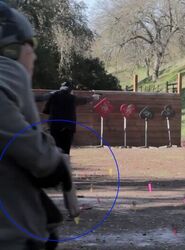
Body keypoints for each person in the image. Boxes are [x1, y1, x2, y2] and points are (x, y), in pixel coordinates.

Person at [0, 2, 73, 250]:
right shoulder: (9, 70)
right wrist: (48, 159)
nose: (34, 55)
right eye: (31, 46)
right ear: (11, 49)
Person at [42, 81, 101, 155]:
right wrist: (92, 98)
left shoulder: (53, 96)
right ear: (70, 90)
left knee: (55, 150)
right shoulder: (72, 98)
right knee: (65, 151)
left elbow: (45, 111)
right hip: (68, 128)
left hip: (54, 127)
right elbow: (83, 100)